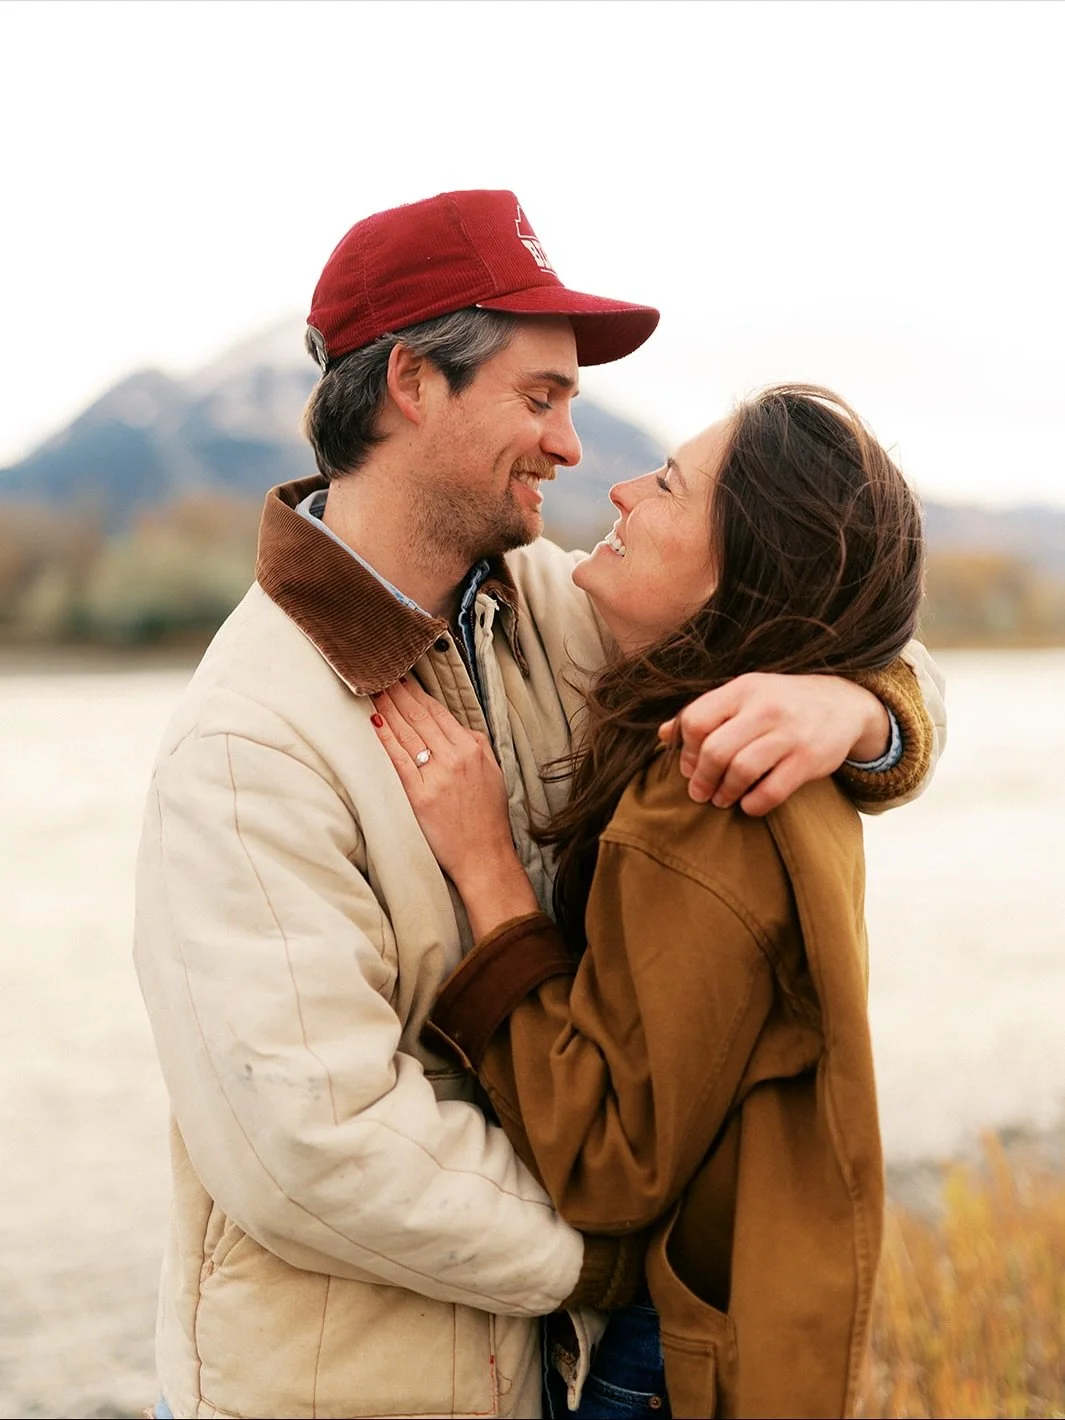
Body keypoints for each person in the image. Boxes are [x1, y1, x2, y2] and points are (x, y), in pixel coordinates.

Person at [133, 190, 946, 1419]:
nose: (576, 450)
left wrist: (860, 709)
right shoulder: (249, 743)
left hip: (531, 1379)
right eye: (541, 398)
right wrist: (611, 1255)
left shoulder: (545, 608)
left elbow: (831, 601)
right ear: (413, 383)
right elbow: (311, 1151)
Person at [370, 384, 929, 1418]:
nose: (619, 489)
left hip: (662, 1359)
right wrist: (863, 708)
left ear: (742, 577)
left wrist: (488, 873)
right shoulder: (782, 739)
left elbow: (607, 1160)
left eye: (669, 485)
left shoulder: (705, 795)